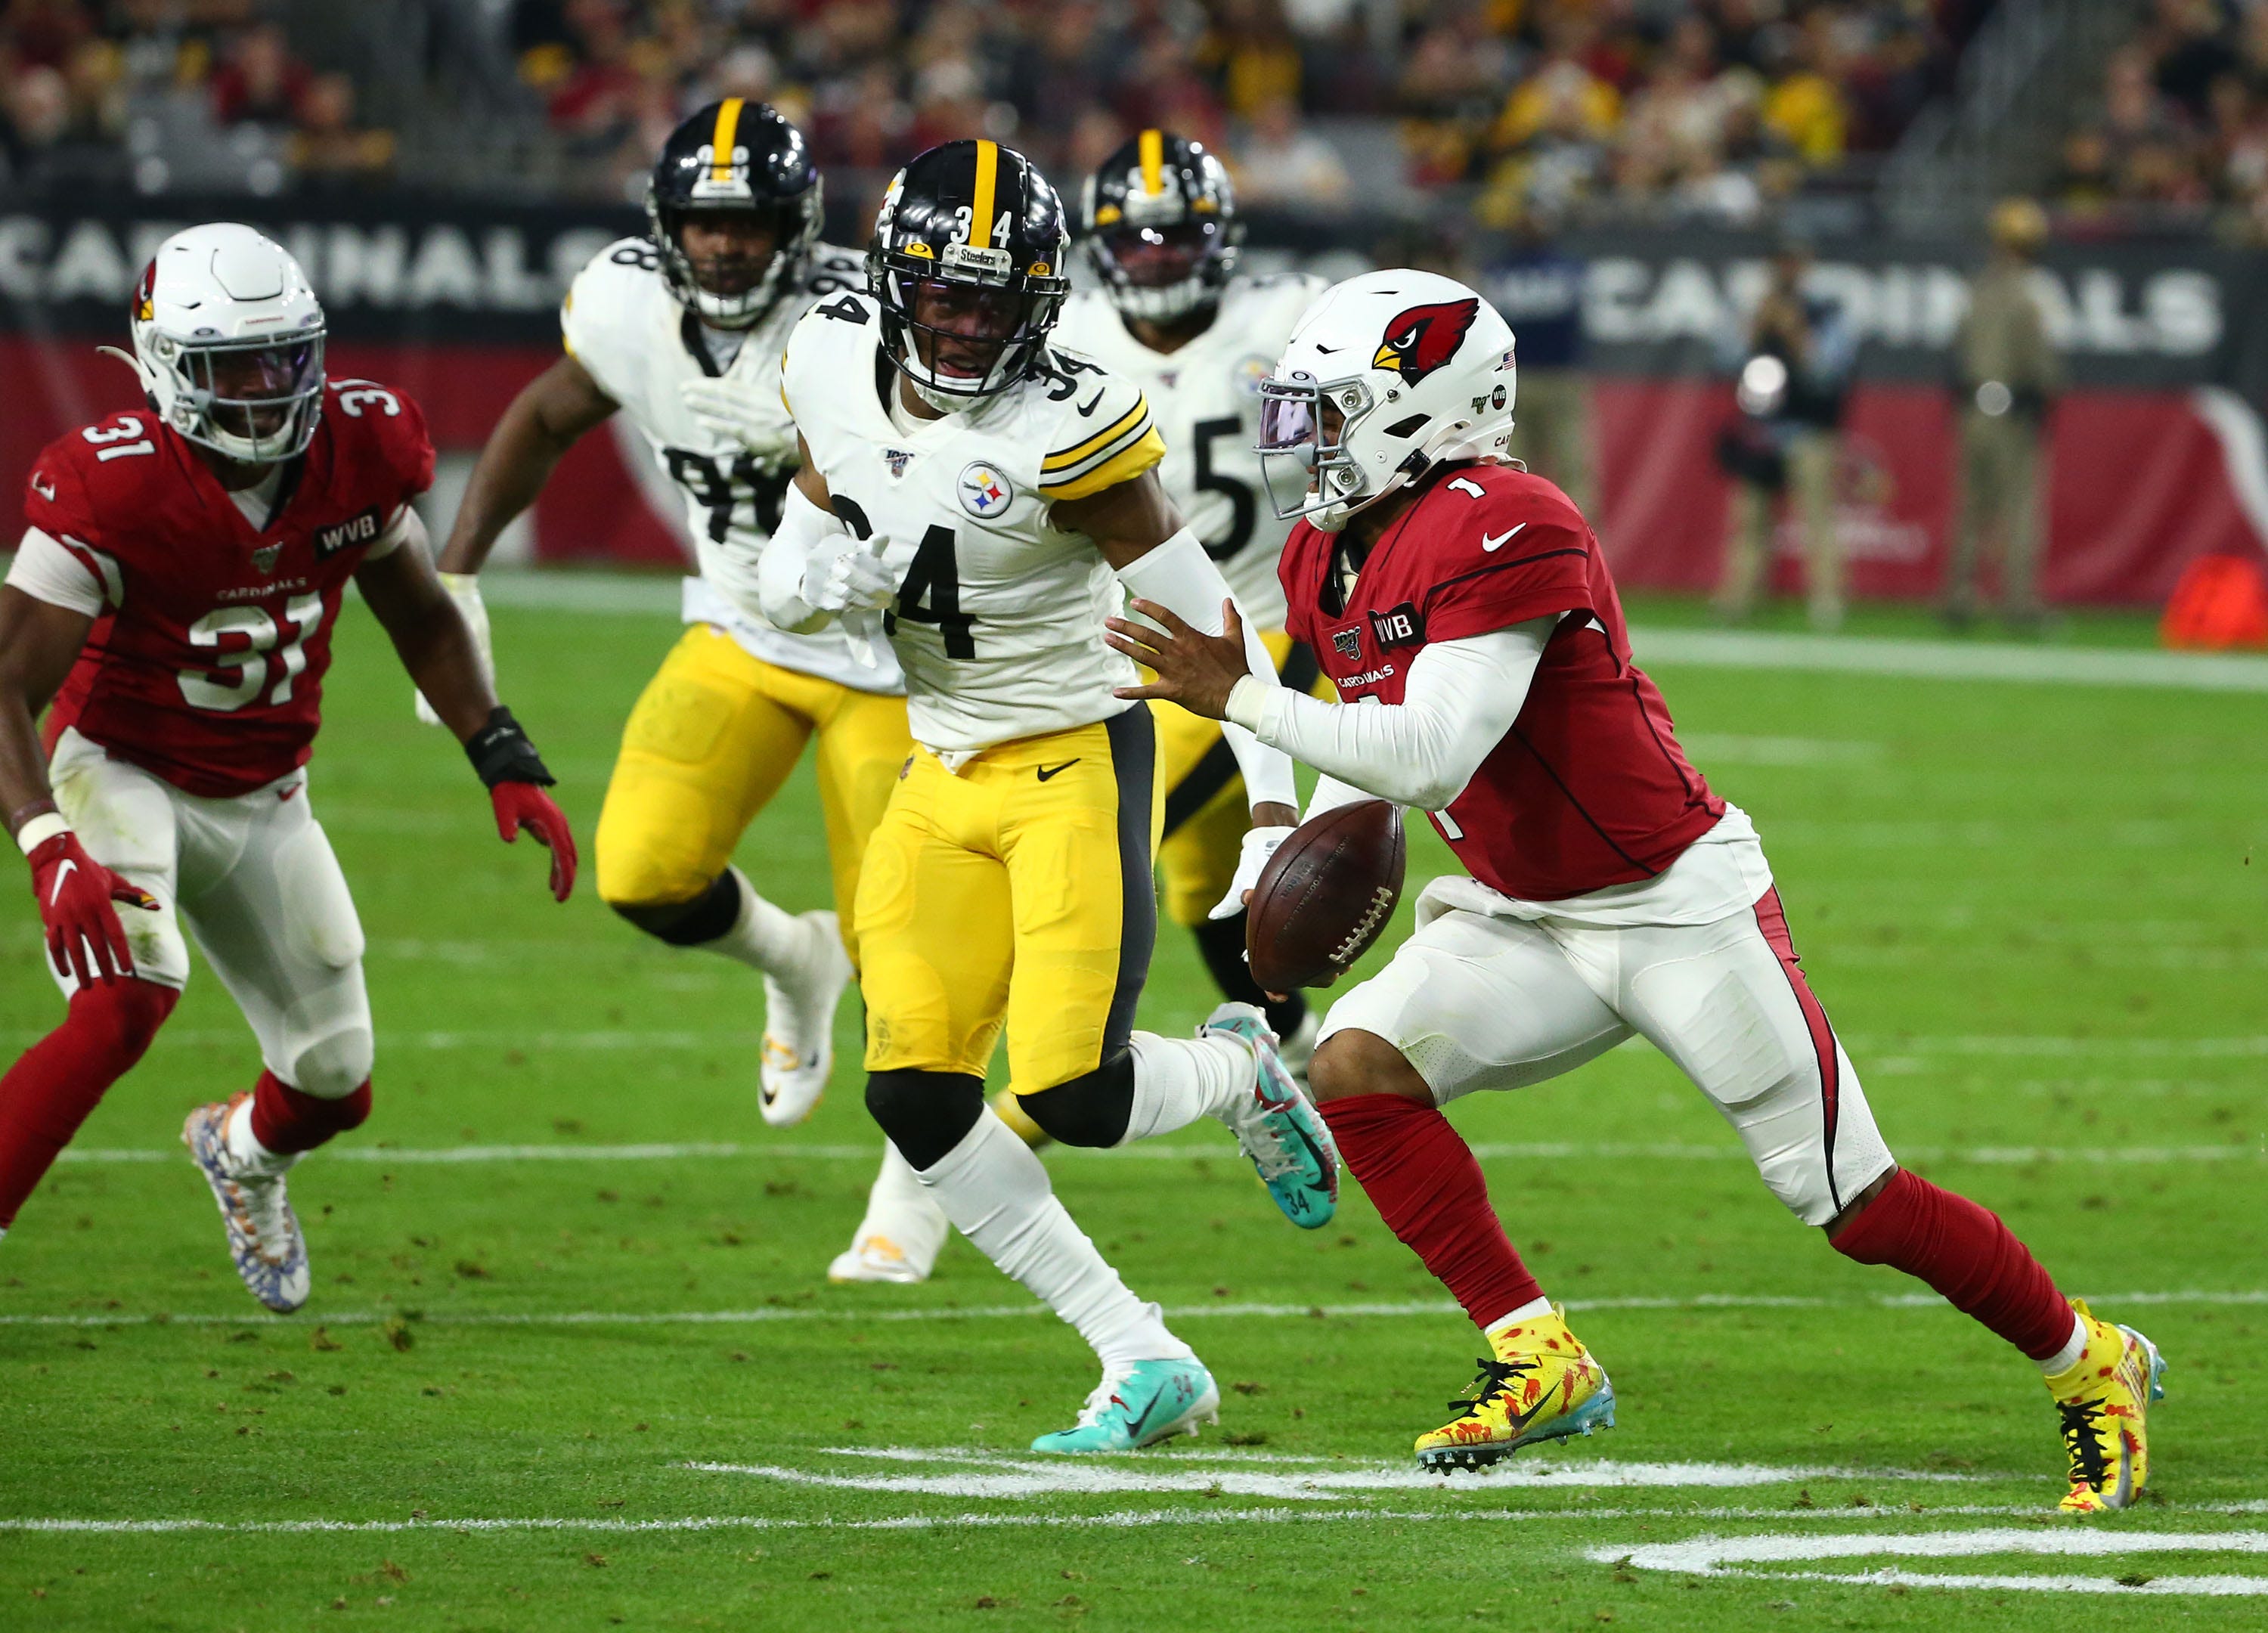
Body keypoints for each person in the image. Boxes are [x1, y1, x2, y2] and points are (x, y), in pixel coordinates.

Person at [1114, 268, 2165, 1514]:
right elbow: (1369, 755)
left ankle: (2091, 1365)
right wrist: (1288, 873)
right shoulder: (1322, 555)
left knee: (1850, 1199)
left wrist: (1231, 695)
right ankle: (1536, 1353)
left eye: (1333, 411)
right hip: (1522, 910)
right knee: (1353, 1071)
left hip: (1673, 904)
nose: (1310, 443)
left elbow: (1433, 748)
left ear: (1426, 408)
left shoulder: (1509, 519)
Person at [743, 139, 1338, 1452]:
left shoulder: (1069, 426)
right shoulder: (833, 348)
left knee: (1078, 1093)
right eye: (946, 299)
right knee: (913, 1094)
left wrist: (1275, 803)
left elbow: (1205, 624)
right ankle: (1142, 1353)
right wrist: (799, 565)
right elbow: (818, 465)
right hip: (939, 764)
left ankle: (1240, 1063)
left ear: (1042, 299)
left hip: (1074, 756)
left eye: (996, 301)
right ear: (895, 287)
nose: (967, 326)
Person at [0, 224, 576, 1312]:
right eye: (234, 367)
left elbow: (418, 610)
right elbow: (4, 688)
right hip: (121, 768)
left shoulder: (361, 446)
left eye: (285, 359)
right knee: (125, 1001)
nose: (267, 392)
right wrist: (46, 841)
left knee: (333, 1081)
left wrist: (498, 748)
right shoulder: (110, 486)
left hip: (268, 794)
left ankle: (240, 1154)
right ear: (168, 364)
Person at [433, 104, 915, 1272]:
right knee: (643, 872)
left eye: (750, 225)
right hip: (743, 631)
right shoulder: (623, 305)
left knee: (909, 957)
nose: (726, 247)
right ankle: (794, 964)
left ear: (797, 228)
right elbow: (550, 412)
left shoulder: (866, 322)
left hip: (896, 661)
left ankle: (912, 1198)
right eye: (704, 224)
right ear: (666, 226)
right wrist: (453, 571)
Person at [1713, 237, 1854, 631]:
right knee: (1750, 520)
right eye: (1781, 261)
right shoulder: (1757, 308)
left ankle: (1826, 603)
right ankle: (1737, 600)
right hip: (1763, 429)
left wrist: (1796, 333)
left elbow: (1829, 372)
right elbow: (1727, 359)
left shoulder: (1825, 312)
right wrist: (1756, 327)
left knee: (1816, 518)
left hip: (1809, 430)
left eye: (1793, 261)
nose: (1786, 269)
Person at [1944, 198, 2062, 633]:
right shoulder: (2033, 291)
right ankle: (2019, 603)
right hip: (2013, 411)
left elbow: (1957, 351)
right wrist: (2045, 395)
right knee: (2020, 509)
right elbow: (2041, 362)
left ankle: (1958, 597)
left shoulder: (1976, 288)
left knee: (1972, 509)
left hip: (1975, 406)